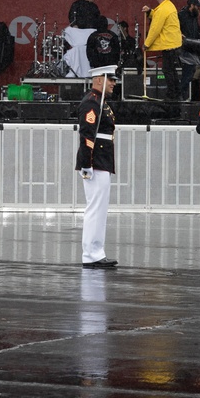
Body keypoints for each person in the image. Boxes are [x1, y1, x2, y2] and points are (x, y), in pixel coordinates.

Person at [75, 64, 119, 269]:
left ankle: (96, 251)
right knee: (95, 208)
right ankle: (91, 253)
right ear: (99, 79)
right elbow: (87, 135)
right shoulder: (92, 103)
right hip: (96, 160)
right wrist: (87, 164)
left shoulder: (102, 103)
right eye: (110, 79)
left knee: (100, 209)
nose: (114, 83)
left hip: (103, 159)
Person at [143, 0, 182, 102]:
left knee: (167, 70)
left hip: (169, 44)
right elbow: (158, 15)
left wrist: (146, 44)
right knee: (172, 70)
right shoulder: (169, 6)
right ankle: (177, 93)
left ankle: (172, 95)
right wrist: (150, 12)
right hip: (174, 43)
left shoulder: (162, 9)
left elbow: (155, 28)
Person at [178, 0, 200, 100]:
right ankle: (181, 95)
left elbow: (195, 34)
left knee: (190, 72)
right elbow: (173, 28)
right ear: (191, 5)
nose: (198, 8)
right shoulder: (181, 16)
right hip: (184, 48)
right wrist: (180, 35)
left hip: (191, 47)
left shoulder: (194, 18)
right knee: (188, 72)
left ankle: (183, 94)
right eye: (197, 6)